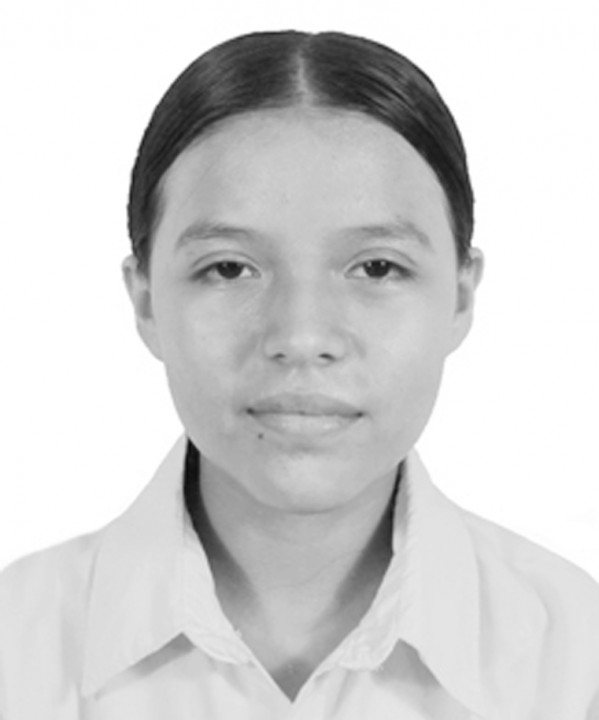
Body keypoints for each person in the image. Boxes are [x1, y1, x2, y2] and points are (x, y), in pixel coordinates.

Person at [0, 29, 598, 719]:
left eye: (377, 267)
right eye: (229, 268)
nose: (301, 337)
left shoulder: (575, 661)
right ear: (146, 301)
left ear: (460, 298)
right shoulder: (16, 653)